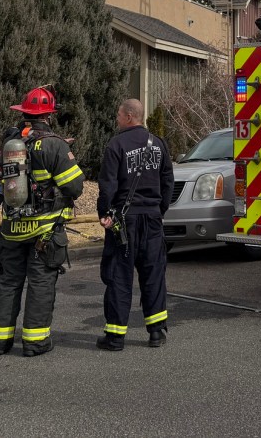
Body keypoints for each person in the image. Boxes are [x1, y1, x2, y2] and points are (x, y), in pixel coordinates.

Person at [0, 86, 85, 357]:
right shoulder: (54, 144)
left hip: (12, 229)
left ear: (24, 112)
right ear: (49, 115)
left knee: (8, 282)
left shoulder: (11, 143)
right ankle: (35, 342)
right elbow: (75, 186)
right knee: (40, 284)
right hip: (44, 231)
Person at [95, 98, 174, 351]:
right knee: (153, 275)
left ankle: (116, 336)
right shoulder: (159, 144)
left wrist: (105, 213)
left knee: (119, 276)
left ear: (129, 116)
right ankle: (156, 333)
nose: (117, 119)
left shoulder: (116, 145)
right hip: (151, 220)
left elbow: (108, 185)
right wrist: (158, 211)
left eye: (119, 114)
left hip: (124, 222)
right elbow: (168, 182)